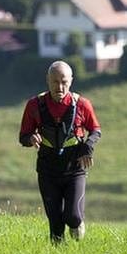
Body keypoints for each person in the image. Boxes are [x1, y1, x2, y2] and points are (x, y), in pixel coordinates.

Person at [19, 60, 101, 242]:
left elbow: (96, 130)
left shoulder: (82, 104)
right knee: (56, 225)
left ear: (71, 81)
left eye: (64, 82)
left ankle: (77, 225)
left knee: (73, 217)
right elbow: (23, 136)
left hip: (75, 168)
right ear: (48, 81)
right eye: (55, 81)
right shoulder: (34, 105)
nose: (60, 87)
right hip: (48, 170)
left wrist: (88, 146)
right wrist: (31, 138)